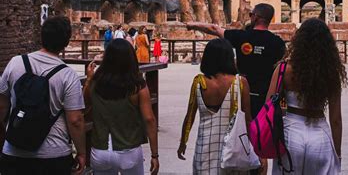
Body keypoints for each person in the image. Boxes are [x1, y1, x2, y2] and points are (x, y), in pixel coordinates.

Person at [0, 16, 86, 174]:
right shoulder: (68, 75)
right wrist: (81, 152)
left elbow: (2, 106)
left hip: (14, 152)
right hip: (53, 155)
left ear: (41, 37)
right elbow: (75, 120)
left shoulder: (15, 62)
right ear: (66, 43)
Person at [266, 18, 346, 174]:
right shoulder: (331, 72)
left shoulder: (284, 69)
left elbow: (269, 103)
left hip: (291, 132)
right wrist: (338, 153)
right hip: (320, 136)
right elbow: (336, 119)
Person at [186, 3, 286, 118]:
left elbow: (214, 29)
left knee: (241, 125)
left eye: (250, 15)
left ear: (255, 17)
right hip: (266, 95)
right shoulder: (277, 43)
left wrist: (192, 25)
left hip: (241, 93)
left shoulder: (240, 37)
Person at [83, 39, 159, 175]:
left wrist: (89, 79)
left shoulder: (95, 83)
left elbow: (84, 106)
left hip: (101, 150)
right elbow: (149, 119)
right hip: (129, 150)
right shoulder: (137, 85)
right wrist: (154, 155)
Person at [177, 38, 252, 174]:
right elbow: (248, 120)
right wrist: (253, 148)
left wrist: (183, 142)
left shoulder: (199, 83)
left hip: (204, 149)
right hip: (232, 151)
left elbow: (189, 117)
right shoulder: (240, 83)